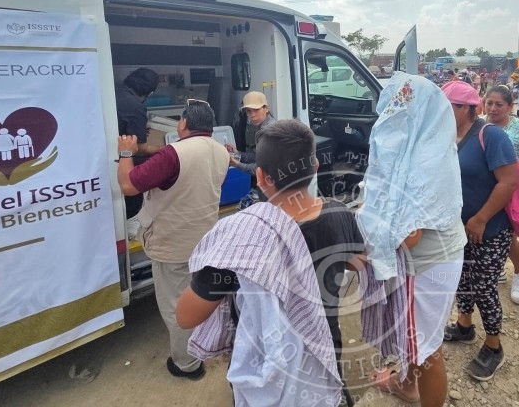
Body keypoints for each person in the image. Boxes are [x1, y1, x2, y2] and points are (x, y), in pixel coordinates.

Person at [176, 120, 364, 406]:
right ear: (315, 166)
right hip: (324, 354)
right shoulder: (340, 214)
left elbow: (186, 316)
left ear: (261, 176)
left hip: (263, 370)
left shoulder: (240, 240)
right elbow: (358, 263)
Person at [357, 74, 466, 406]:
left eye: (399, 107)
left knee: (426, 349)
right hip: (440, 255)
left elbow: (409, 236)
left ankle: (416, 389)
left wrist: (364, 222)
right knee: (416, 340)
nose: (391, 115)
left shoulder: (420, 163)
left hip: (426, 264)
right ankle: (406, 384)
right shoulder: (430, 146)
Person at [117, 99, 229, 380]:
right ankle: (207, 343)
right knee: (199, 296)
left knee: (177, 308)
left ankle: (187, 364)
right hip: (204, 240)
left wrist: (126, 152)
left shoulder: (173, 154)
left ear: (183, 123)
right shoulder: (221, 151)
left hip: (172, 245)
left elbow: (128, 185)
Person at [442, 81, 519, 382]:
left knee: (484, 287)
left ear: (465, 108)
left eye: (447, 106)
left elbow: (509, 182)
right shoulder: (448, 134)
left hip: (489, 228)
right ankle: (464, 326)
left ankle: (493, 346)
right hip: (458, 227)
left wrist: (481, 218)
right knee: (461, 278)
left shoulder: (491, 135)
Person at [483, 85, 519, 305]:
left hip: (510, 193)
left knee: (509, 238)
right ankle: (498, 269)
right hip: (483, 191)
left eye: (499, 104)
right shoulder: (478, 125)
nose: (493, 108)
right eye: (489, 103)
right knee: (487, 235)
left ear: (509, 106)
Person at [115, 67, 162, 218]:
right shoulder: (135, 106)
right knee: (131, 209)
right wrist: (163, 148)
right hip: (122, 164)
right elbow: (139, 148)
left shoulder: (114, 93)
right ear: (150, 93)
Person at [227, 90, 276, 207]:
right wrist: (238, 153)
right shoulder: (262, 127)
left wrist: (236, 164)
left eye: (256, 110)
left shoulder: (269, 131)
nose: (252, 115)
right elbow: (257, 157)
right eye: (248, 111)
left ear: (266, 109)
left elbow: (261, 169)